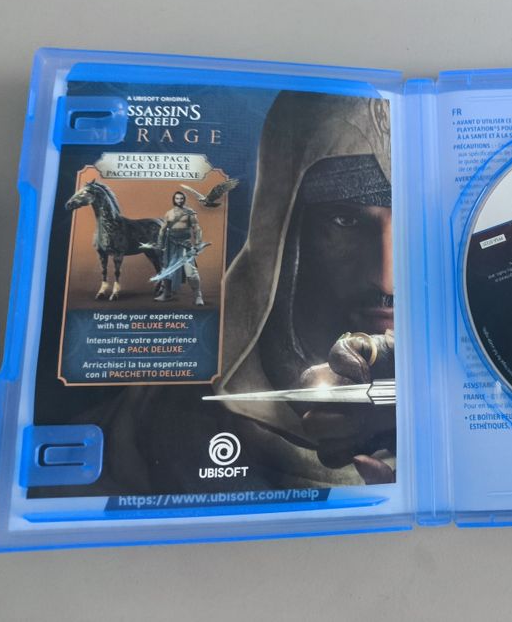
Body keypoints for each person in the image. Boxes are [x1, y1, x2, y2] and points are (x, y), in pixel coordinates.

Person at [82, 90, 396, 494]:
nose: (386, 279)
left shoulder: (448, 426)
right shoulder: (149, 423)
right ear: (282, 231)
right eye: (344, 221)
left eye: (406, 224)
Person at [154, 191, 204, 305]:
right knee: (167, 269)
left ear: (184, 200)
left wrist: (198, 243)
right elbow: (163, 229)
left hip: (184, 244)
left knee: (190, 271)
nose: (179, 201)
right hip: (170, 244)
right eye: (177, 198)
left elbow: (196, 228)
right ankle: (167, 294)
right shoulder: (169, 213)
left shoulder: (190, 213)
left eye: (181, 198)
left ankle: (198, 296)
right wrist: (160, 244)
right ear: (174, 200)